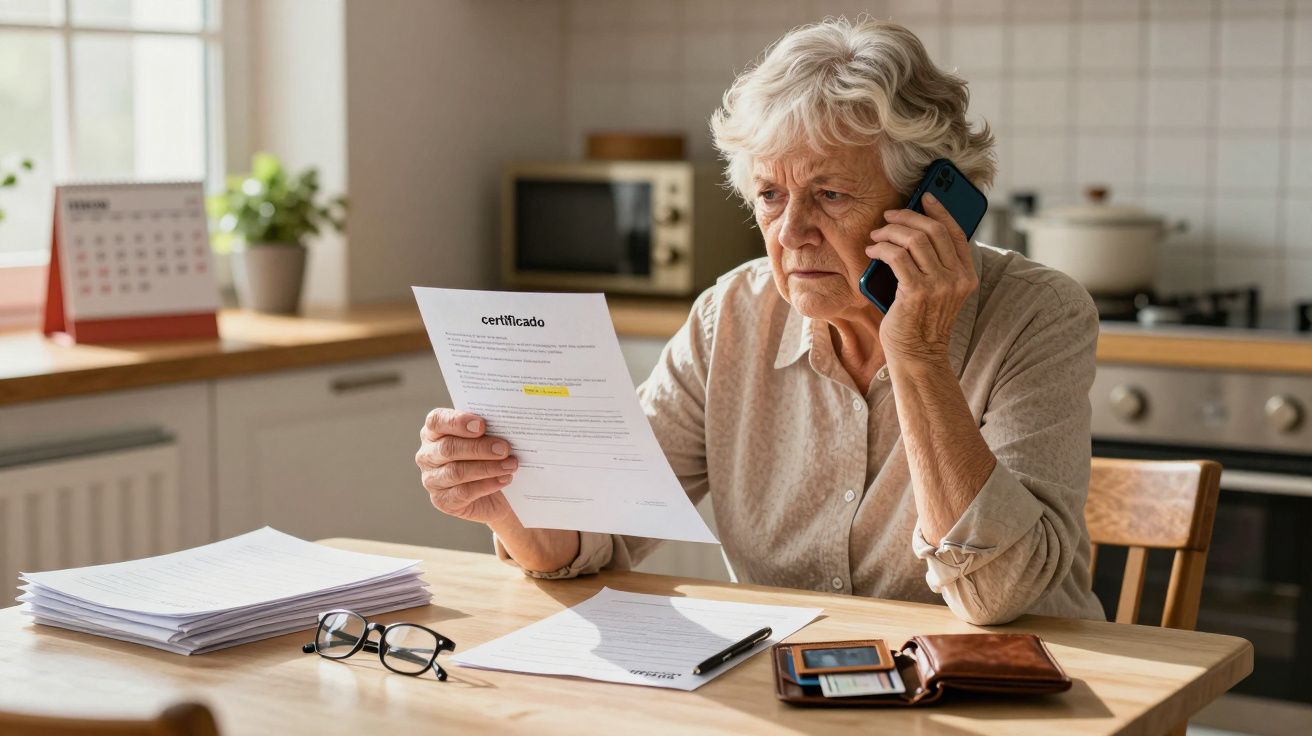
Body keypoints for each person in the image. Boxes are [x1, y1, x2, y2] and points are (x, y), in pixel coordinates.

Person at [415, 17, 1104, 625]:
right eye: (771, 195)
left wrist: (918, 353)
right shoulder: (729, 318)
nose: (791, 231)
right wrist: (502, 496)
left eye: (829, 194)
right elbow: (595, 539)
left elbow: (998, 598)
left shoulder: (1038, 314)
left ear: (931, 207)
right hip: (796, 693)